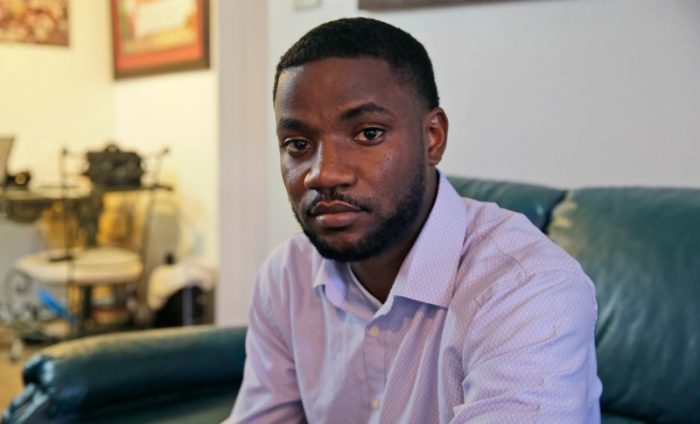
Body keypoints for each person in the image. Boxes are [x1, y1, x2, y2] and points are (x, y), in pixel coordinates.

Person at [227, 17, 602, 423]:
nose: (324, 173)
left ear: (432, 137)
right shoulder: (288, 275)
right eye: (298, 144)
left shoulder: (526, 289)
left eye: (368, 134)